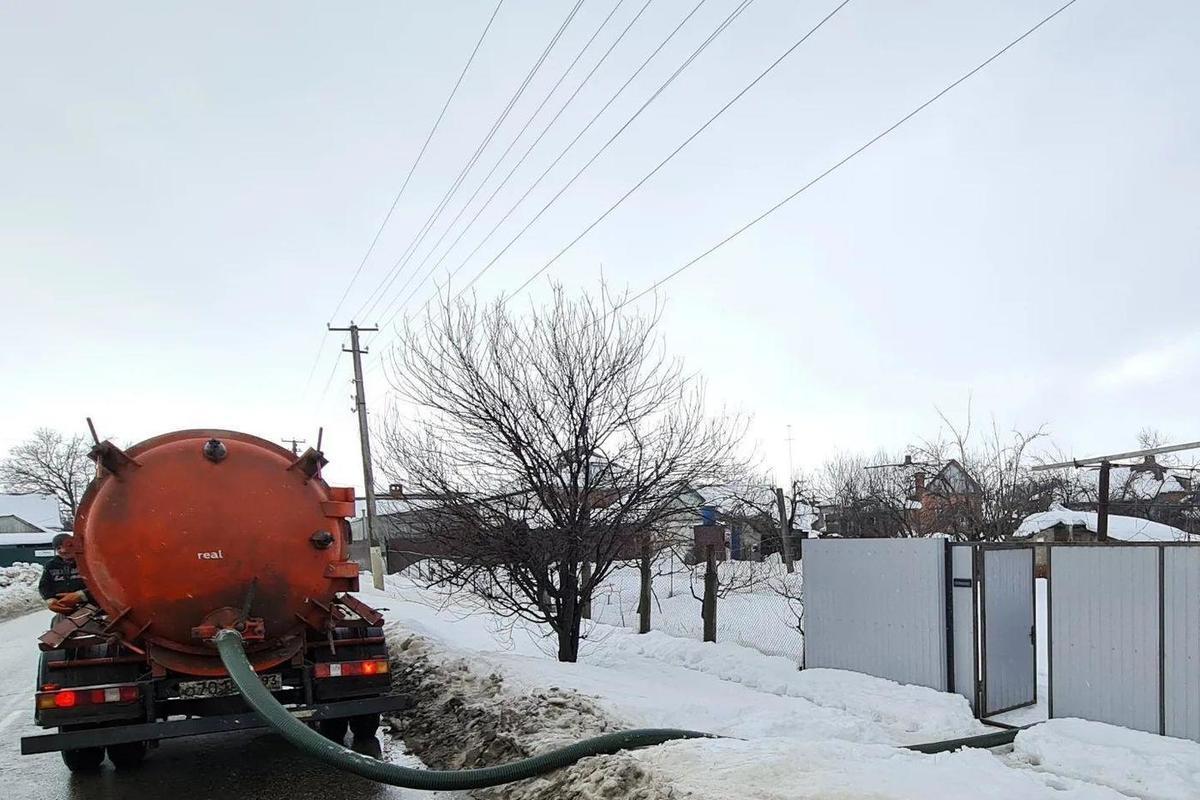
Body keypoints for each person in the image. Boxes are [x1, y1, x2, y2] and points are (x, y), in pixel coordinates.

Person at [39, 533, 88, 614]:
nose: (63, 550)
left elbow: (102, 586)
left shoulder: (88, 562)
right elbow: (44, 586)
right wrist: (50, 599)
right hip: (65, 609)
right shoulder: (51, 565)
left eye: (68, 546)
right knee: (57, 624)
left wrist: (81, 595)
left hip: (92, 607)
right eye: (58, 548)